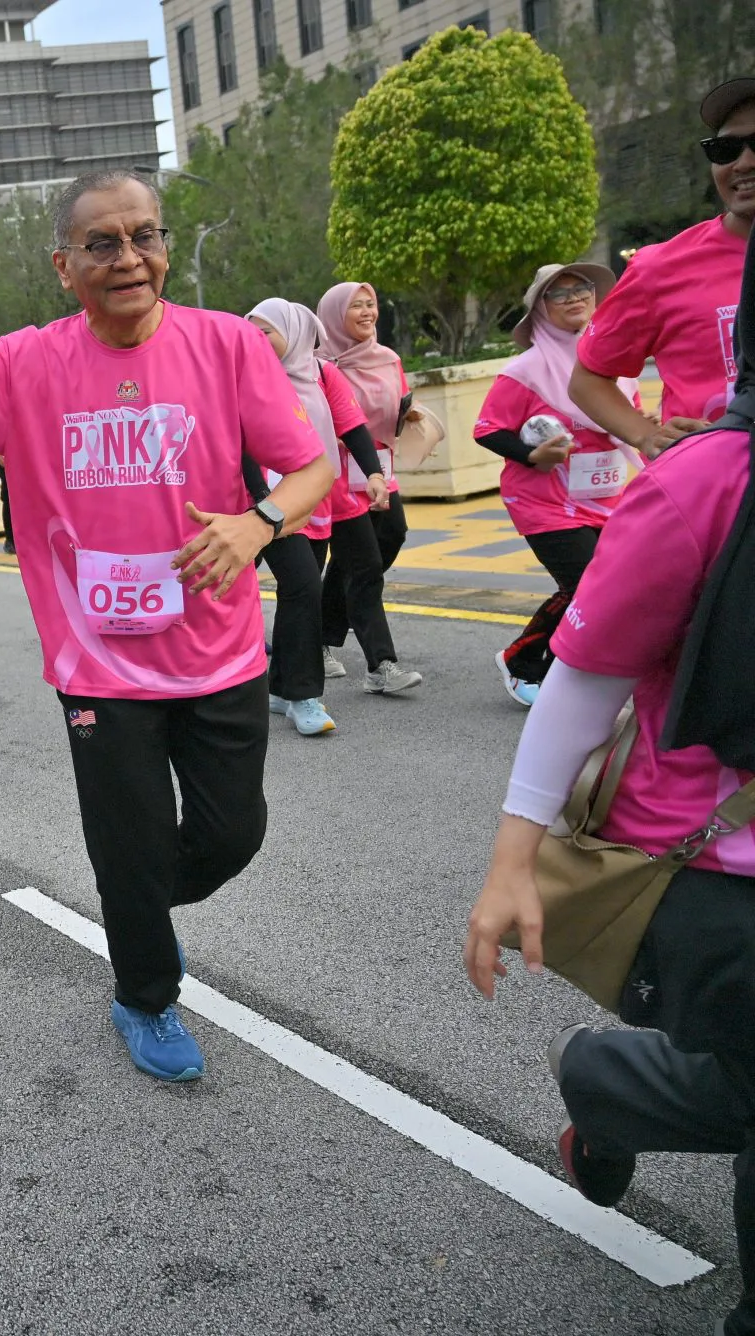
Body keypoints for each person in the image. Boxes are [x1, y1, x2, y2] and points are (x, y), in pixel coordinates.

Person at [0, 168, 334, 1083]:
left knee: (232, 837)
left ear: (165, 247)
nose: (128, 258)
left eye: (143, 236)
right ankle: (145, 991)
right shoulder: (27, 362)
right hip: (98, 666)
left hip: (220, 654)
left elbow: (311, 471)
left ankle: (134, 901)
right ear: (64, 265)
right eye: (102, 244)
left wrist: (258, 523)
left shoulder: (226, 346)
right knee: (131, 840)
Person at [465, 217, 755, 1336]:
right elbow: (584, 676)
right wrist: (512, 860)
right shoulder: (703, 482)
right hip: (710, 862)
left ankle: (607, 1082)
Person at [474, 263, 639, 707]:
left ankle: (576, 664)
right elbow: (487, 429)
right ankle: (521, 662)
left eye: (580, 289)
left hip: (605, 495)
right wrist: (533, 454)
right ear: (541, 310)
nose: (573, 299)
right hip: (542, 500)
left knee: (611, 586)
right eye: (559, 294)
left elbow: (629, 423)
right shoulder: (525, 371)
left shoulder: (618, 365)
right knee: (585, 585)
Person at [571, 77, 755, 452]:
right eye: (726, 149)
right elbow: (587, 378)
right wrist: (645, 434)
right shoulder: (660, 267)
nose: (744, 163)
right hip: (712, 494)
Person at [244, 299, 387, 736]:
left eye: (265, 330)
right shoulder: (245, 378)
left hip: (315, 499)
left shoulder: (322, 375)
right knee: (303, 585)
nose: (254, 337)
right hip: (265, 502)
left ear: (295, 333)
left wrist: (375, 474)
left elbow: (352, 427)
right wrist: (264, 499)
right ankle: (304, 696)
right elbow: (240, 444)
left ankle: (281, 686)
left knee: (298, 591)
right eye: (249, 328)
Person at [314, 281, 420, 688]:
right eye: (354, 307)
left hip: (379, 468)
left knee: (389, 538)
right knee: (364, 565)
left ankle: (320, 637)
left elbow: (398, 402)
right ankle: (381, 665)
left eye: (370, 305)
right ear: (333, 316)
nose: (365, 313)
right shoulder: (320, 366)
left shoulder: (388, 358)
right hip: (338, 475)